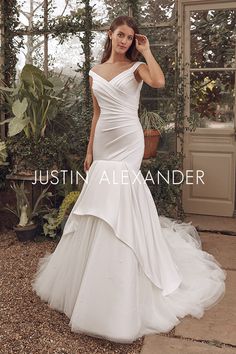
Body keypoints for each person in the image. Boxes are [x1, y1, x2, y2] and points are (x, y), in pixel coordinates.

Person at [31, 15, 227, 344]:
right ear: (110, 35)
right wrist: (90, 150)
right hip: (106, 141)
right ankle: (92, 280)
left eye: (130, 37)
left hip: (129, 141)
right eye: (121, 35)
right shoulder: (94, 73)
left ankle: (123, 281)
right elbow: (96, 114)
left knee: (121, 195)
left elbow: (160, 82)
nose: (124, 41)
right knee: (101, 199)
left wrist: (147, 51)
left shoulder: (136, 68)